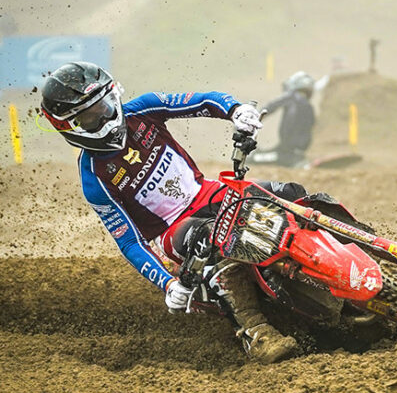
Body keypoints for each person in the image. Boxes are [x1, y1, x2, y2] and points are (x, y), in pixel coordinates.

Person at [40, 61, 307, 364]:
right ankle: (256, 334)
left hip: (209, 192)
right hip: (172, 231)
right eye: (91, 115)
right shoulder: (94, 177)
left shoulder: (143, 109)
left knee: (288, 193)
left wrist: (235, 110)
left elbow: (202, 101)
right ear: (70, 126)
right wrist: (167, 284)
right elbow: (129, 242)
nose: (105, 116)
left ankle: (352, 249)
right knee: (211, 237)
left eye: (104, 104)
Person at [251, 71, 316, 168]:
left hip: (286, 153)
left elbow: (270, 107)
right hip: (299, 153)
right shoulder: (309, 107)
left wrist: (252, 120)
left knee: (252, 158)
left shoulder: (291, 97)